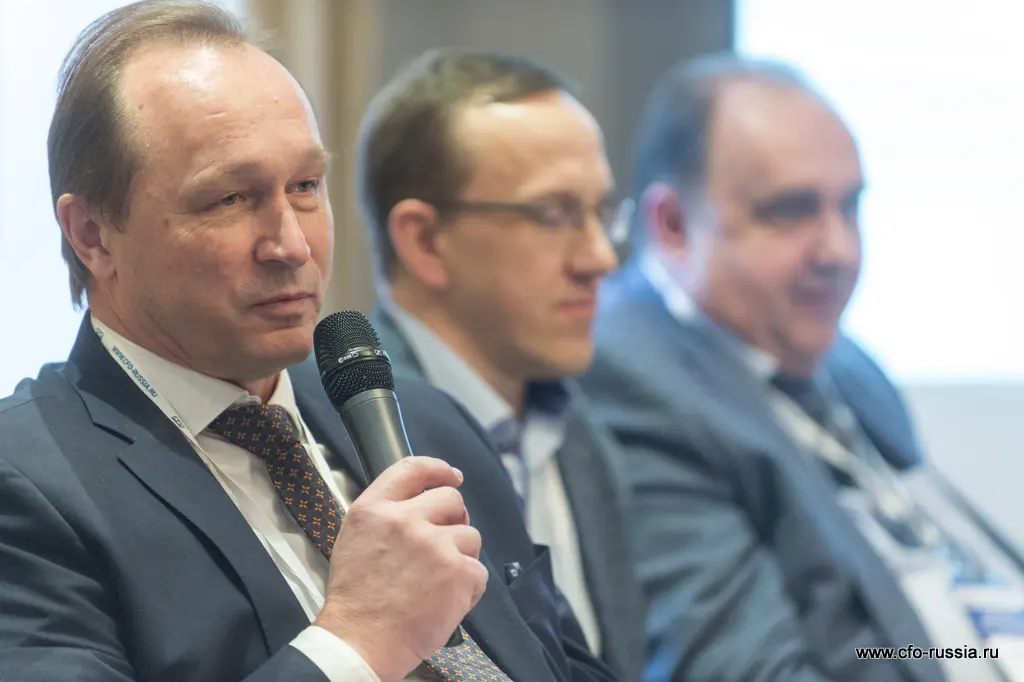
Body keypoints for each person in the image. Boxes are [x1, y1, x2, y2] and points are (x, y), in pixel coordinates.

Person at [0, 3, 617, 682]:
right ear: (92, 235)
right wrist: (358, 636)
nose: (292, 245)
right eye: (230, 199)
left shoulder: (431, 423)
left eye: (304, 187)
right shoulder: (29, 484)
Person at [582, 53, 1024, 682]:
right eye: (791, 211)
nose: (839, 250)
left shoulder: (843, 359)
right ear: (674, 225)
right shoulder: (628, 382)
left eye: (851, 206)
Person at [354, 48, 647, 682]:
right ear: (425, 241)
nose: (600, 258)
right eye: (553, 215)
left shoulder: (580, 432)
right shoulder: (347, 455)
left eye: (603, 214)